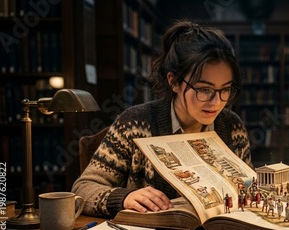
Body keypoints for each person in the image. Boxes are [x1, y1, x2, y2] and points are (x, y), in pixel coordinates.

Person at [72, 20, 252, 217]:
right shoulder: (135, 124)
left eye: (225, 89)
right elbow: (82, 189)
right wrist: (124, 198)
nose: (217, 102)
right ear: (174, 82)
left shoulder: (232, 127)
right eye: (204, 89)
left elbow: (247, 189)